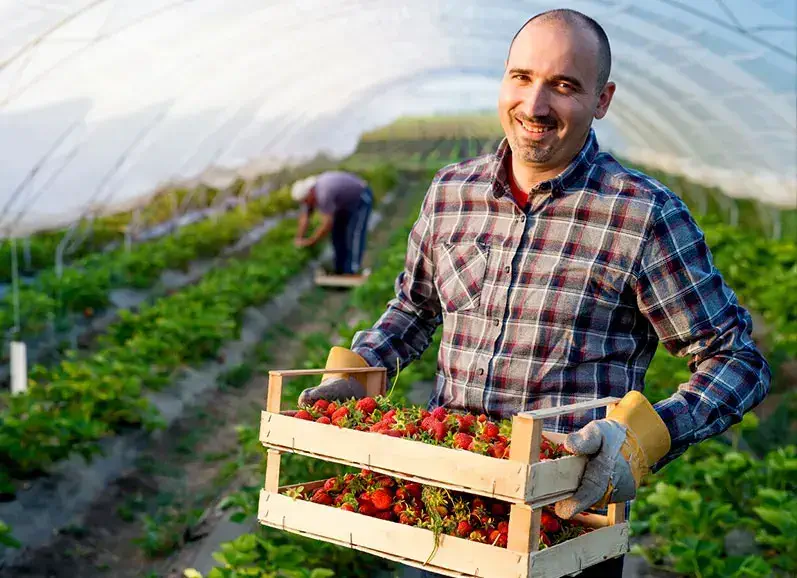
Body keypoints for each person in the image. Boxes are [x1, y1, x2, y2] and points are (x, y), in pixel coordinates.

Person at [297, 8, 770, 577]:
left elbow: (735, 358)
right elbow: (415, 307)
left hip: (567, 524)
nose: (536, 105)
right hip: (445, 511)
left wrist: (643, 440)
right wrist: (360, 365)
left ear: (603, 100)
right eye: (522, 77)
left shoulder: (642, 215)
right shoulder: (452, 193)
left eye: (564, 86)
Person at [291, 170, 373, 275]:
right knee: (337, 235)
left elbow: (327, 224)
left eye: (306, 200)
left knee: (354, 234)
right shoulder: (309, 196)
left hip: (360, 197)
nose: (306, 204)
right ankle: (340, 269)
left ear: (310, 193)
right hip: (342, 204)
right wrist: (299, 238)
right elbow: (304, 218)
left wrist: (312, 241)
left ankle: (352, 270)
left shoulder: (323, 193)